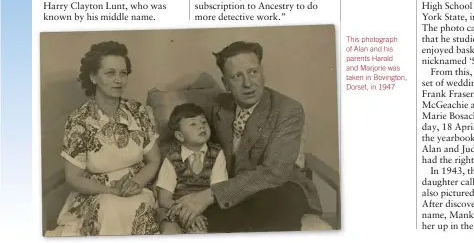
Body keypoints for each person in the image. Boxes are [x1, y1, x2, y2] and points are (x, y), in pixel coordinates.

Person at [169, 42, 322, 234]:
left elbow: (274, 172)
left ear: (262, 72)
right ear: (225, 84)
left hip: (282, 188)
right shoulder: (219, 107)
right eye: (237, 76)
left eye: (253, 72)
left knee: (273, 203)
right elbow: (196, 146)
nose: (248, 83)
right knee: (219, 218)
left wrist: (211, 195)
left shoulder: (288, 109)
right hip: (236, 192)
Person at [46, 42, 160, 237]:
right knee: (109, 207)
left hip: (138, 190)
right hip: (96, 194)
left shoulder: (137, 111)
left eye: (123, 73)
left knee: (137, 205)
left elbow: (154, 159)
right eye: (110, 73)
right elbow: (73, 178)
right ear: (93, 77)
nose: (118, 80)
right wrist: (111, 191)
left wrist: (137, 183)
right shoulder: (79, 120)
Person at [156, 104, 229, 235]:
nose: (201, 126)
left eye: (203, 121)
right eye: (192, 124)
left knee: (198, 231)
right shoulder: (172, 157)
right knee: (169, 231)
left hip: (203, 211)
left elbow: (218, 189)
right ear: (180, 136)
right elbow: (164, 198)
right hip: (173, 210)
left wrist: (195, 213)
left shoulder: (216, 153)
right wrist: (186, 212)